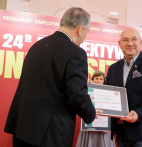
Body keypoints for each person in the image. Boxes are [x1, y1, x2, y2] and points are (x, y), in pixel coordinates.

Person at [4, 7, 102, 147]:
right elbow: (77, 95)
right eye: (86, 32)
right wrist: (91, 112)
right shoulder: (76, 52)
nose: (85, 37)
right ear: (81, 30)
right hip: (50, 133)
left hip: (23, 129)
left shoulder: (37, 46)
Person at [76, 70, 116, 147]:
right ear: (92, 79)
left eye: (101, 79)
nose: (99, 81)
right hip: (90, 124)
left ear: (104, 81)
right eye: (96, 78)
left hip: (104, 125)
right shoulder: (86, 91)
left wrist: (109, 125)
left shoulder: (109, 93)